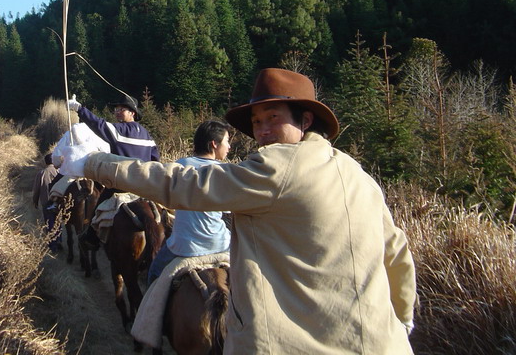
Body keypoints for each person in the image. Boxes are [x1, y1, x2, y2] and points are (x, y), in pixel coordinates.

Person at [57, 68, 417, 354]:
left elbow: (179, 184)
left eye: (272, 117)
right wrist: (402, 322)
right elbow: (397, 252)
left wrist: (93, 164)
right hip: (387, 345)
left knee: (155, 272)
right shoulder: (358, 174)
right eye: (256, 123)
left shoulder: (275, 169)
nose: (261, 131)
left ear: (305, 120)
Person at [66, 93, 160, 250]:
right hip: (145, 186)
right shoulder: (147, 135)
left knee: (99, 206)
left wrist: (79, 108)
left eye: (122, 109)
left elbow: (99, 125)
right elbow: (155, 159)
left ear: (133, 113)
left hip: (121, 185)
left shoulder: (119, 130)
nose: (117, 111)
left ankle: (91, 238)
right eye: (116, 108)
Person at [146, 119, 231, 285]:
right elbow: (228, 215)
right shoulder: (226, 172)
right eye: (227, 142)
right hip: (221, 245)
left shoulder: (179, 165)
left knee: (154, 275)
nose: (229, 147)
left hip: (185, 246)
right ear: (214, 144)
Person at [31, 153, 62, 253]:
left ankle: (52, 246)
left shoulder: (42, 173)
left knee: (50, 224)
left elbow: (36, 189)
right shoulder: (60, 172)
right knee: (58, 222)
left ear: (45, 162)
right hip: (58, 202)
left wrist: (35, 201)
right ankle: (59, 241)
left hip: (46, 202)